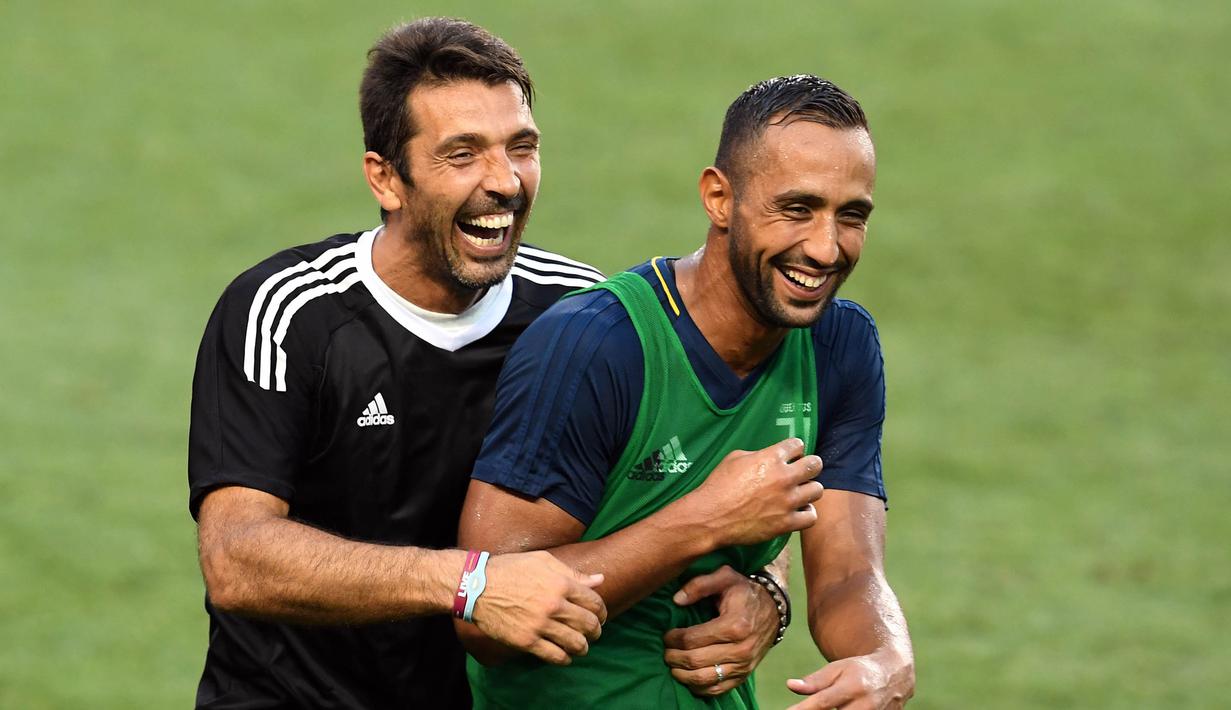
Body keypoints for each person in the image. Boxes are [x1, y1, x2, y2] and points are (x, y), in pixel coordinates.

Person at [187, 18, 797, 709]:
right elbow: (236, 558)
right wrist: (469, 582)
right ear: (386, 179)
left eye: (521, 147)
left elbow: (722, 476)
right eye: (462, 154)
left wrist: (766, 593)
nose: (504, 181)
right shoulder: (288, 313)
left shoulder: (582, 317)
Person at [458, 75, 916, 709]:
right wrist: (707, 521)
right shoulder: (595, 347)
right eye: (797, 208)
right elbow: (484, 611)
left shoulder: (841, 346)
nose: (824, 247)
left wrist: (885, 657)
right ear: (719, 198)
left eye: (852, 215)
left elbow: (847, 575)